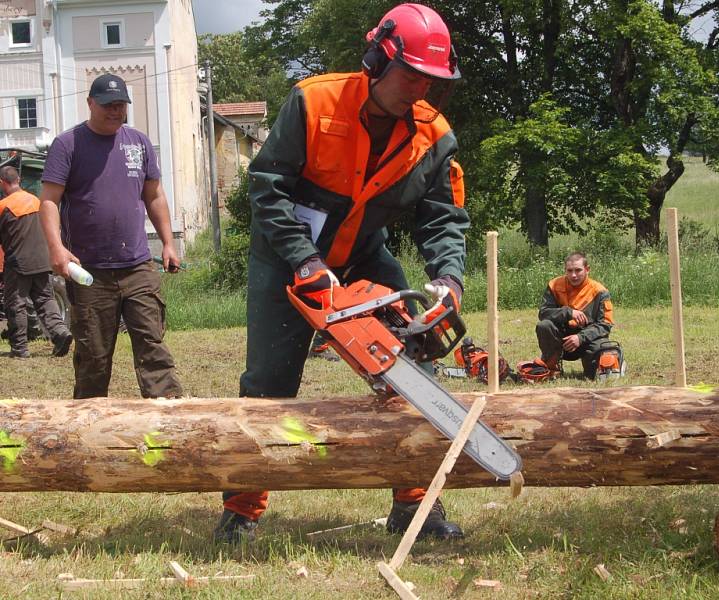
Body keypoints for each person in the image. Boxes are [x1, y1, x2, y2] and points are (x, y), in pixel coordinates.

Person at [217, 3, 469, 545]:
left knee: (411, 368)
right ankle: (241, 510)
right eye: (410, 76)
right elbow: (268, 187)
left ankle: (415, 504)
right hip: (286, 257)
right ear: (378, 59)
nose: (418, 91)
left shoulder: (434, 135)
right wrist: (305, 261)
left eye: (431, 82)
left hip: (361, 254)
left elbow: (444, 218)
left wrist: (448, 280)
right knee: (268, 384)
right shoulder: (315, 101)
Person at [38, 73, 183, 399]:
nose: (115, 112)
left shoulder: (138, 142)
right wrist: (56, 248)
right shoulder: (68, 144)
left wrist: (169, 243)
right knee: (94, 356)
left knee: (152, 346)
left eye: (121, 105)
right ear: (90, 103)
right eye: (108, 105)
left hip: (137, 266)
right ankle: (88, 430)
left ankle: (171, 421)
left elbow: (155, 196)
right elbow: (48, 201)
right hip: (89, 271)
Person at [0, 166, 72, 358]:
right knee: (45, 300)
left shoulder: (4, 206)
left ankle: (20, 348)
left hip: (18, 264)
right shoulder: (37, 201)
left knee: (16, 304)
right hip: (43, 261)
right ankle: (60, 333)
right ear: (19, 180)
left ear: (2, 183)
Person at [530, 252, 614, 380]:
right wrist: (569, 312)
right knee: (544, 325)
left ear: (587, 270)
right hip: (561, 340)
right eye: (569, 271)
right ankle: (552, 366)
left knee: (596, 375)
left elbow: (605, 325)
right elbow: (544, 313)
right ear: (565, 270)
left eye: (578, 270)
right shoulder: (554, 285)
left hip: (587, 340)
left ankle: (592, 368)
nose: (573, 275)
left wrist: (580, 338)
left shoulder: (600, 291)